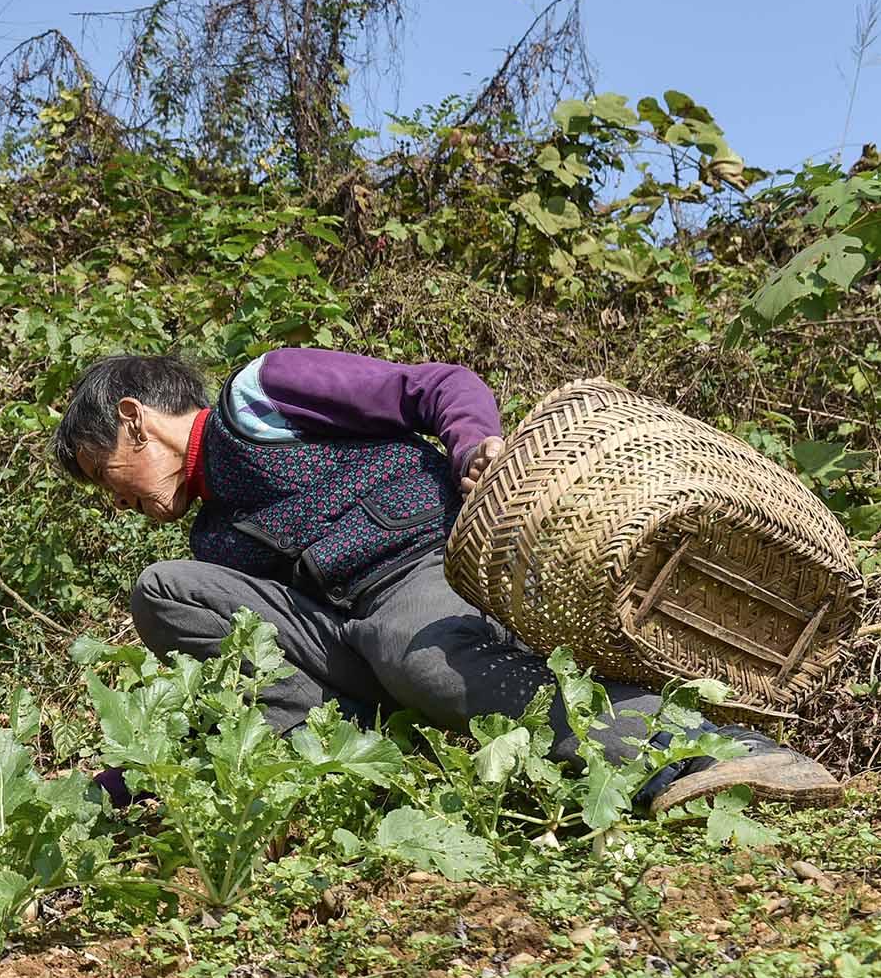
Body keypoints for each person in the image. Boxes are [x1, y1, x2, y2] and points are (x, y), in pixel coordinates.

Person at [51, 349, 842, 815]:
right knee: (165, 588)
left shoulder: (260, 395)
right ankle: (348, 771)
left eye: (103, 474)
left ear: (133, 418)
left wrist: (473, 449)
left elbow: (435, 386)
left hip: (423, 567)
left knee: (416, 654)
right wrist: (112, 788)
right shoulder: (210, 536)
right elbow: (230, 681)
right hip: (347, 629)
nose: (116, 499)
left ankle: (707, 750)